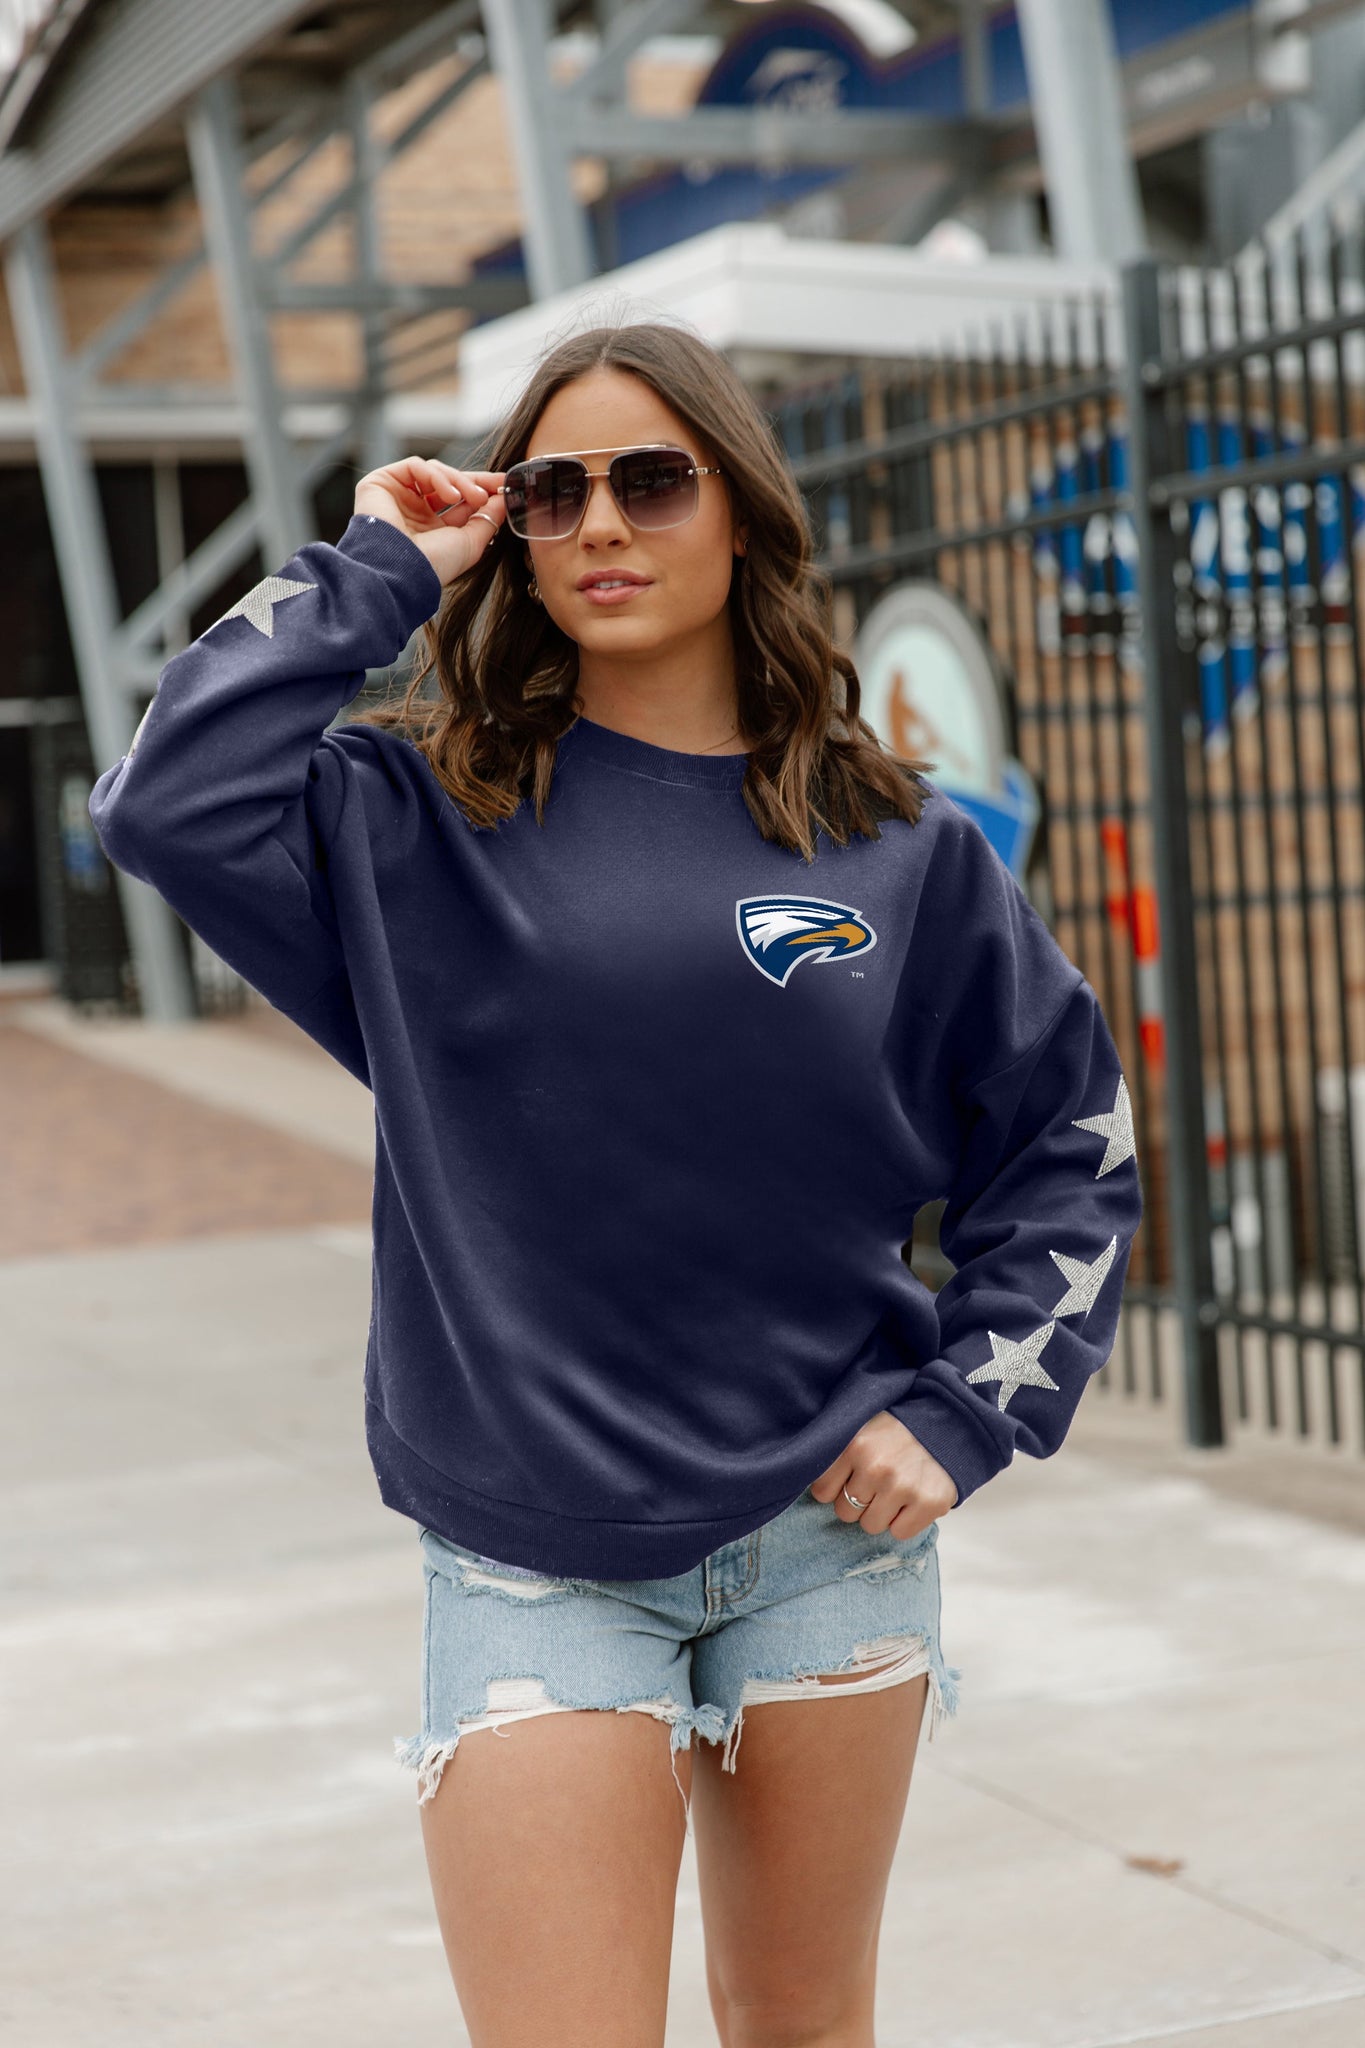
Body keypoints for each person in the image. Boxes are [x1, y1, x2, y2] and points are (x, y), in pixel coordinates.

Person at [88, 320, 1143, 2047]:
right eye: (548, 491)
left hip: (828, 1538)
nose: (597, 523)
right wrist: (377, 565)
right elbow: (163, 804)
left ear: (740, 510)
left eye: (651, 480)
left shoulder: (901, 847)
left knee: (803, 2025)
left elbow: (1070, 1147)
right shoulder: (409, 817)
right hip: (533, 1548)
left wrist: (967, 1411)